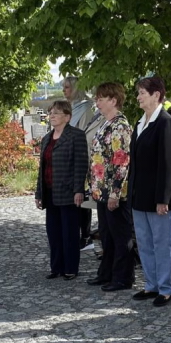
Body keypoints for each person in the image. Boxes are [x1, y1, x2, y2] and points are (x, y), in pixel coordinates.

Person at [129, 76, 171, 307]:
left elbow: (169, 164)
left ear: (156, 95)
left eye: (142, 92)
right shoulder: (140, 123)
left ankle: (167, 289)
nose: (138, 97)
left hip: (159, 197)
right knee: (145, 243)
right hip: (140, 196)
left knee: (162, 244)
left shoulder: (165, 122)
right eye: (138, 92)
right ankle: (151, 285)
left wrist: (163, 198)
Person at [85, 83, 135, 291]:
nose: (97, 102)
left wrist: (115, 192)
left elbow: (121, 161)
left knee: (120, 236)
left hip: (115, 193)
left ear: (113, 101)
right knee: (107, 234)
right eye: (97, 98)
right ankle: (107, 273)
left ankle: (123, 277)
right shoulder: (105, 124)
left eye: (101, 98)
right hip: (102, 191)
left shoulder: (119, 126)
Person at [35, 99, 89, 280]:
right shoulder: (46, 139)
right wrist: (38, 193)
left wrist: (78, 190)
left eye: (56, 113)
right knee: (53, 231)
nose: (52, 116)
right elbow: (42, 168)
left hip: (68, 191)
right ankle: (56, 266)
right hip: (50, 191)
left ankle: (71, 268)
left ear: (67, 117)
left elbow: (80, 165)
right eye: (51, 112)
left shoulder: (76, 135)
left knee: (69, 232)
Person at [63, 75, 102, 250]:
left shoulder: (85, 109)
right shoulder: (69, 108)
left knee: (82, 198)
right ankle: (76, 232)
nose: (64, 90)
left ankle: (85, 235)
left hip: (80, 157)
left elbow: (84, 134)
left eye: (67, 87)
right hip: (68, 157)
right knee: (74, 198)